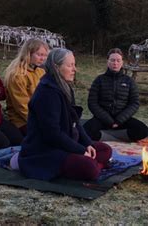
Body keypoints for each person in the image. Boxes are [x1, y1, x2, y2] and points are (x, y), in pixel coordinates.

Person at [18, 48, 112, 181]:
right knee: (89, 168)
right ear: (56, 67)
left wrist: (87, 144)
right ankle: (91, 165)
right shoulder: (47, 93)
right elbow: (52, 135)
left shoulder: (65, 87)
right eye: (70, 65)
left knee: (105, 149)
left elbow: (76, 122)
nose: (74, 69)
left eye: (74, 65)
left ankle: (91, 164)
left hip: (67, 143)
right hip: (46, 151)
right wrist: (80, 151)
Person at [83, 48, 148, 141]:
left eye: (118, 60)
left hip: (122, 120)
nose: (115, 63)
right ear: (108, 61)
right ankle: (114, 136)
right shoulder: (99, 80)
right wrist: (108, 120)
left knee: (143, 130)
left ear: (122, 62)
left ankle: (108, 135)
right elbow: (92, 103)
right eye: (112, 60)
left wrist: (119, 120)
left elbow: (134, 103)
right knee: (85, 130)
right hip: (102, 119)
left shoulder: (129, 81)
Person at [4, 39, 49, 136]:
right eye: (39, 55)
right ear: (29, 53)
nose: (43, 58)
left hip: (42, 117)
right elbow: (22, 107)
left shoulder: (41, 72)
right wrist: (41, 123)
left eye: (45, 55)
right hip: (23, 121)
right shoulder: (17, 75)